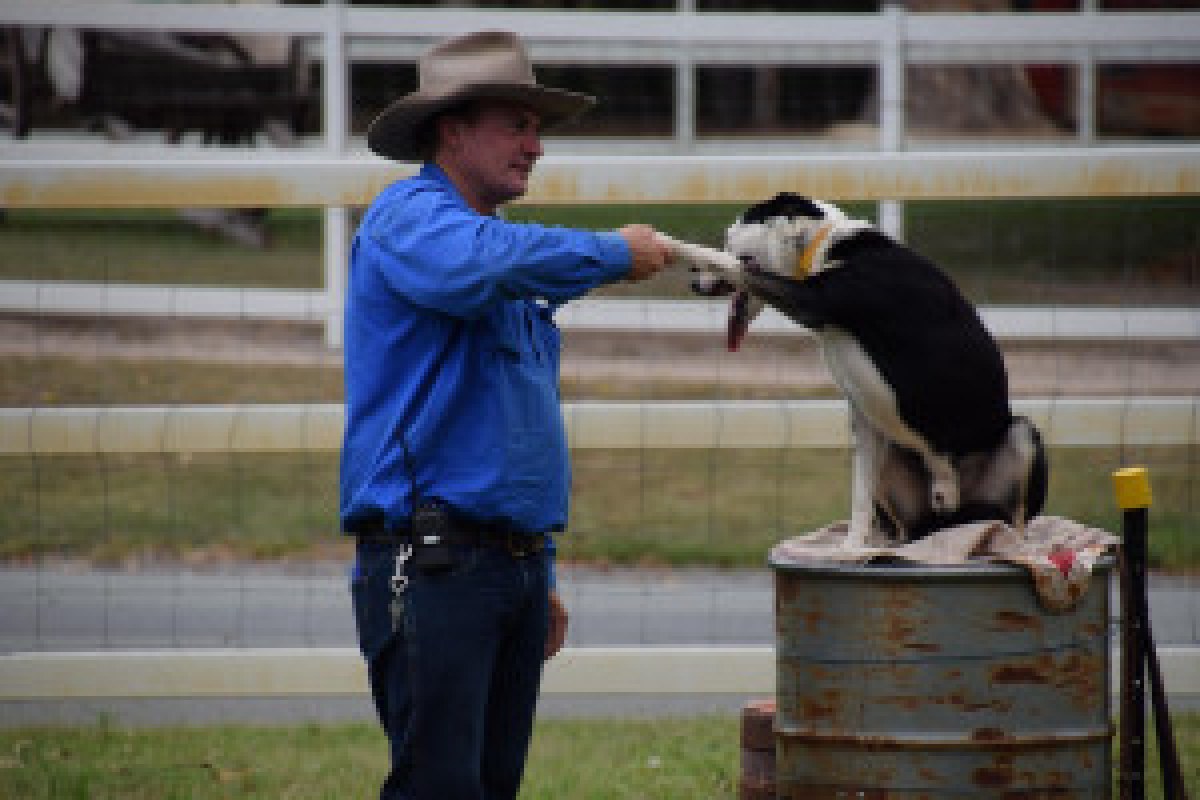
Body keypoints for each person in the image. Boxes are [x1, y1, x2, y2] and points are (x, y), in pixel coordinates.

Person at [340, 30, 670, 800]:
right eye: (516, 124)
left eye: (537, 129)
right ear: (452, 129)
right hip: (433, 565)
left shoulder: (502, 260)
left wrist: (537, 566)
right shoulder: (410, 222)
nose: (536, 146)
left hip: (500, 566)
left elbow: (516, 431)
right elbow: (479, 263)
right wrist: (613, 254)